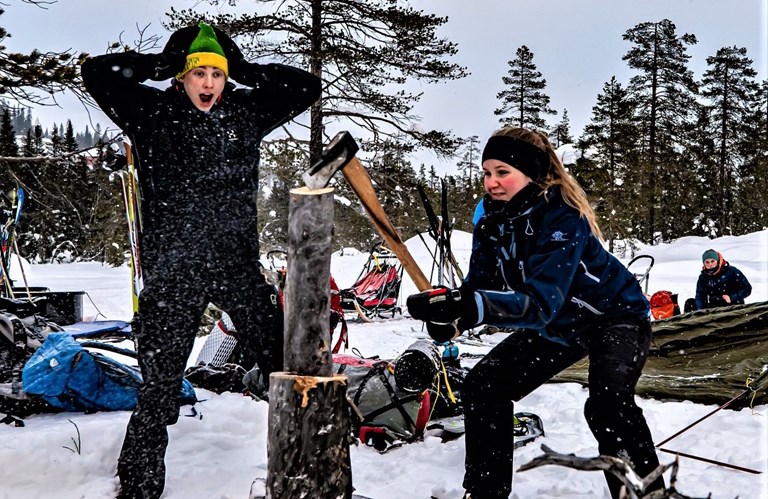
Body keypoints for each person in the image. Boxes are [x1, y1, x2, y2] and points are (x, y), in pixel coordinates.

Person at [82, 22, 321, 499]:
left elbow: (306, 86)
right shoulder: (151, 114)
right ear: (182, 76)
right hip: (174, 272)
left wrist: (244, 67)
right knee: (159, 386)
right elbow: (97, 73)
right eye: (198, 73)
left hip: (236, 267)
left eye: (217, 73)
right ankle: (139, 487)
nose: (208, 83)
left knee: (285, 365)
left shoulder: (245, 112)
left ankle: (309, 466)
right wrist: (161, 63)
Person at [406, 126, 665, 499]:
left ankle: (644, 494)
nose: (491, 182)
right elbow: (480, 287)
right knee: (484, 386)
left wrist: (471, 306)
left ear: (530, 173)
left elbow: (541, 303)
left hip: (614, 317)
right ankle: (485, 493)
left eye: (502, 172)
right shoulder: (491, 220)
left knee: (608, 403)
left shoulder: (561, 218)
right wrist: (452, 314)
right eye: (486, 172)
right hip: (561, 326)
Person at [685, 249, 752, 312]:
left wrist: (731, 297)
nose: (710, 264)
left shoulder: (731, 271)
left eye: (712, 261)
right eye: (707, 262)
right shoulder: (703, 277)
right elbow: (700, 297)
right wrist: (701, 311)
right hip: (714, 307)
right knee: (690, 303)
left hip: (733, 306)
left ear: (718, 261)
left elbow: (747, 288)